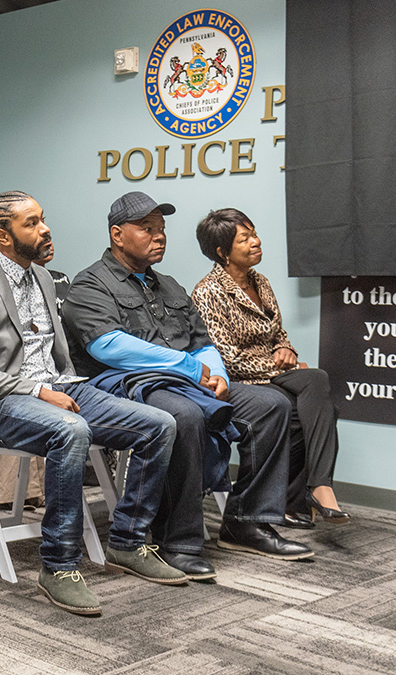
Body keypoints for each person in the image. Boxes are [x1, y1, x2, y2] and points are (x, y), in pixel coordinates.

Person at [0, 190, 183, 616]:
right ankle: (59, 565)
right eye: (31, 223)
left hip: (60, 387)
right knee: (71, 431)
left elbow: (54, 353)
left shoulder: (41, 277)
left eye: (43, 218)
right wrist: (38, 391)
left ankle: (128, 541)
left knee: (159, 424)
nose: (45, 228)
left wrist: (66, 387)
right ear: (3, 236)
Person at [62, 191, 313, 583]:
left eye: (161, 229)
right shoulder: (90, 283)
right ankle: (178, 540)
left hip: (188, 379)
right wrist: (191, 368)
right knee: (185, 415)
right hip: (124, 384)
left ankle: (246, 522)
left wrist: (220, 379)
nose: (159, 236)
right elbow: (106, 345)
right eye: (146, 229)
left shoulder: (171, 287)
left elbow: (203, 343)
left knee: (272, 404)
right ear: (117, 234)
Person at [191, 208, 348, 527]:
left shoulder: (260, 282)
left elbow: (277, 331)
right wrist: (278, 368)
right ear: (222, 252)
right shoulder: (207, 292)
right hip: (236, 381)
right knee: (313, 397)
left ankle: (306, 494)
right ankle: (312, 492)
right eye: (244, 238)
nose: (256, 241)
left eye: (254, 233)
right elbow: (227, 358)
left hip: (271, 376)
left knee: (315, 397)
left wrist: (285, 348)